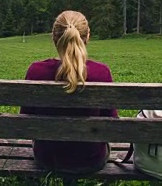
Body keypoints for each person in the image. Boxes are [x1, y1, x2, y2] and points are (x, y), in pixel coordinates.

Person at [20, 10, 118, 174]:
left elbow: (25, 118)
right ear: (87, 37)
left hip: (47, 159)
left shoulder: (36, 71)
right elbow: (112, 123)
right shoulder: (101, 73)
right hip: (92, 159)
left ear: (54, 37)